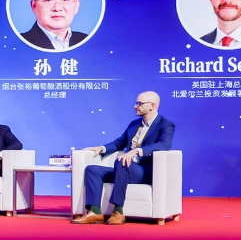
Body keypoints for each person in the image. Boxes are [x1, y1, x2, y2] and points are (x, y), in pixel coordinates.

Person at [73, 91, 175, 225]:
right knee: (92, 170)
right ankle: (95, 211)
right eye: (136, 103)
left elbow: (164, 144)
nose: (135, 106)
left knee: (121, 162)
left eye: (139, 103)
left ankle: (118, 211)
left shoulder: (165, 124)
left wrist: (138, 151)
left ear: (152, 106)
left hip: (144, 171)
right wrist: (101, 148)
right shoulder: (134, 124)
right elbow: (119, 143)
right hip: (124, 169)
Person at [19, 0, 87, 51]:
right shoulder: (20, 43)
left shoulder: (87, 42)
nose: (57, 8)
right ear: (34, 6)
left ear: (76, 6)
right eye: (48, 0)